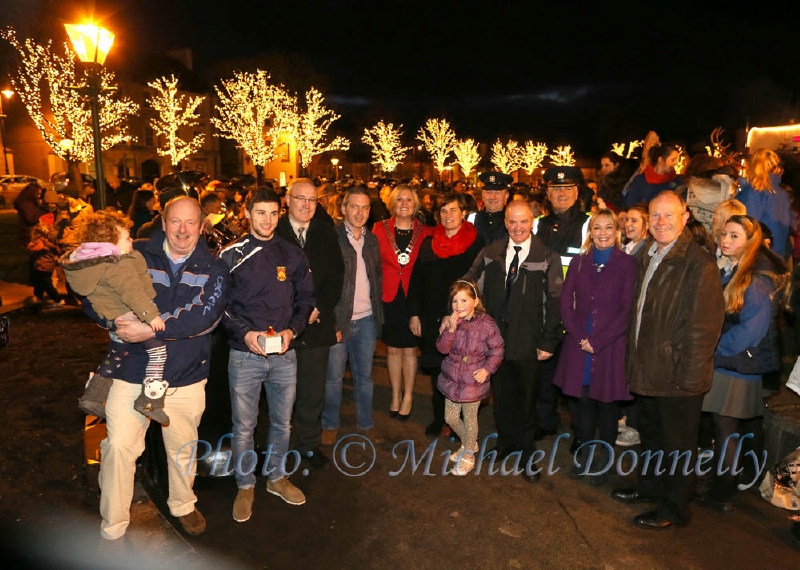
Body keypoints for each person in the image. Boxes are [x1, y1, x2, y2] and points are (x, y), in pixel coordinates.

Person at [91, 195, 230, 545]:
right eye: (175, 221)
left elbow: (204, 318)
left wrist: (150, 327)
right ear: (163, 223)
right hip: (132, 372)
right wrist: (114, 319)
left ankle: (183, 504)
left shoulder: (214, 268)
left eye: (190, 223)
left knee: (182, 447)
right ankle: (113, 527)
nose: (182, 230)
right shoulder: (134, 253)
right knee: (119, 447)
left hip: (185, 377)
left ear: (202, 226)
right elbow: (94, 288)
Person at [612, 190, 725, 530]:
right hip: (648, 368)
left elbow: (704, 329)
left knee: (678, 446)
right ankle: (650, 488)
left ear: (685, 217)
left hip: (678, 376)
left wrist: (688, 379)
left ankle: (674, 509)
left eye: (668, 215)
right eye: (656, 216)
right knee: (652, 435)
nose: (661, 223)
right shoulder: (648, 253)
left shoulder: (698, 263)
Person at [219, 187, 315, 521]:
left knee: (282, 423)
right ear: (247, 213)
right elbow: (220, 307)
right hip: (244, 356)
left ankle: (276, 477)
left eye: (274, 213)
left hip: (284, 356)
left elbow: (306, 300)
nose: (268, 219)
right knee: (244, 427)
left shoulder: (292, 255)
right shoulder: (230, 255)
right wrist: (245, 334)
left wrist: (293, 330)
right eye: (260, 212)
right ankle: (245, 485)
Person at [464, 200, 564, 482]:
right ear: (506, 223)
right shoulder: (491, 252)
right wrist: (459, 309)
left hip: (529, 342)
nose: (518, 227)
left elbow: (557, 303)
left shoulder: (547, 257)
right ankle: (506, 443)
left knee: (527, 400)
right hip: (496, 342)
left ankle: (527, 451)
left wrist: (548, 341)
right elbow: (470, 283)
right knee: (502, 397)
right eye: (512, 221)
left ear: (532, 221)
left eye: (523, 221)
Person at [697, 215, 782, 512]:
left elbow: (751, 331)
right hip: (726, 362)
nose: (725, 240)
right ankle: (721, 485)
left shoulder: (755, 281)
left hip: (736, 365)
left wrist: (714, 347)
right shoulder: (733, 271)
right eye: (724, 234)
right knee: (722, 429)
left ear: (750, 241)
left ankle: (722, 492)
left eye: (734, 236)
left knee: (725, 430)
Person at [553, 209, 638, 484]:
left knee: (607, 407)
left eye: (608, 228)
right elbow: (565, 304)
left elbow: (627, 310)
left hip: (609, 347)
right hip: (579, 345)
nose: (603, 233)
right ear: (590, 232)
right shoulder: (579, 262)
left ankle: (604, 462)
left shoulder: (628, 264)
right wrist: (580, 338)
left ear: (617, 231)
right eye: (597, 228)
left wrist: (598, 341)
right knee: (583, 406)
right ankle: (586, 456)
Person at [62, 210, 170, 425]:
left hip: (114, 318)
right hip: (132, 315)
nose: (132, 240)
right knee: (158, 352)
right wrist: (152, 317)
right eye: (128, 238)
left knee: (116, 356)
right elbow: (133, 293)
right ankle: (149, 401)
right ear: (110, 245)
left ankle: (93, 396)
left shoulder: (92, 265)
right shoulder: (119, 265)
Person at [277, 179, 344, 471]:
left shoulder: (325, 232)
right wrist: (296, 315)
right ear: (287, 200)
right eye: (300, 199)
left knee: (312, 390)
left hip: (317, 324)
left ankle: (308, 444)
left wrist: (318, 309)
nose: (306, 205)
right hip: (282, 326)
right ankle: (280, 444)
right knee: (281, 390)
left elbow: (336, 276)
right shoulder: (273, 231)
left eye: (312, 200)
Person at [408, 192, 485, 437]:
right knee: (439, 372)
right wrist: (414, 314)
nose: (448, 215)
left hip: (463, 318)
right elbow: (417, 281)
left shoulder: (476, 243)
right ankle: (440, 417)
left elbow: (478, 283)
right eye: (443, 211)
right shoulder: (429, 243)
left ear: (464, 213)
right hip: (432, 317)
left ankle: (461, 422)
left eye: (453, 210)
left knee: (463, 371)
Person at [533, 166, 591, 442]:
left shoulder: (590, 223)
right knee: (544, 372)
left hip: (577, 311)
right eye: (556, 189)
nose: (562, 194)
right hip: (545, 309)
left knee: (577, 376)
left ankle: (583, 436)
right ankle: (545, 422)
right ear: (547, 193)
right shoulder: (537, 224)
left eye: (567, 188)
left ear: (577, 191)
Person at [322, 187, 384, 444]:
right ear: (344, 208)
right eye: (355, 206)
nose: (360, 212)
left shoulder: (372, 240)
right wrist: (331, 321)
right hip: (340, 319)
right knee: (334, 379)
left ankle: (366, 423)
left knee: (365, 377)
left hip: (367, 319)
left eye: (365, 207)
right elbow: (326, 282)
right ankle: (330, 424)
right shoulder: (332, 238)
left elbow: (376, 278)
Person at [373, 185, 432, 420]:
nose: (404, 203)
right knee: (393, 348)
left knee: (409, 349)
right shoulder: (378, 229)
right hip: (388, 296)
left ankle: (408, 395)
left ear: (416, 204)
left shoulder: (427, 232)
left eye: (409, 199)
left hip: (414, 297)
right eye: (400, 200)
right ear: (392, 204)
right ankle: (395, 395)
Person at [436, 279, 504, 476]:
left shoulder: (486, 324)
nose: (459, 306)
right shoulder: (451, 322)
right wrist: (450, 329)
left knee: (470, 419)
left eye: (464, 300)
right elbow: (441, 348)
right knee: (450, 417)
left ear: (475, 301)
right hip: (452, 379)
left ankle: (468, 455)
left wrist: (487, 370)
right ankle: (469, 443)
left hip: (473, 382)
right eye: (455, 301)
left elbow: (497, 350)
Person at [736, 149, 791, 258]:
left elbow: (746, 227)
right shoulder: (783, 194)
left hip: (757, 256)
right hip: (777, 255)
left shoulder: (753, 192)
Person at [468, 171, 511, 245]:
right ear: (483, 195)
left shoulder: (513, 219)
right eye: (488, 192)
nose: (492, 197)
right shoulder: (471, 218)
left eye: (498, 193)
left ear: (506, 196)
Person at [26, 220, 64, 304]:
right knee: (39, 284)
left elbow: (33, 249)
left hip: (42, 267)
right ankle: (38, 299)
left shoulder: (41, 242)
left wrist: (32, 244)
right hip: (48, 266)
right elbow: (57, 251)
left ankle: (58, 299)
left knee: (47, 285)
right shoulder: (50, 242)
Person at [13, 182, 46, 248]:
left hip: (28, 233)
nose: (39, 196)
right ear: (32, 193)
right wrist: (42, 217)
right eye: (38, 194)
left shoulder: (29, 203)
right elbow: (30, 219)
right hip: (29, 234)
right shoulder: (27, 204)